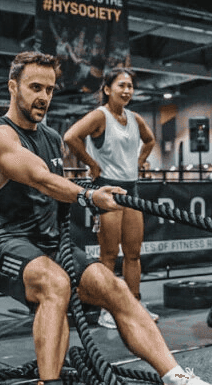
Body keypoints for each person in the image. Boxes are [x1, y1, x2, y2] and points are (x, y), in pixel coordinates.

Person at [0, 51, 212, 385]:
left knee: (112, 286)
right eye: (34, 88)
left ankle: (176, 383)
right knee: (55, 283)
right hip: (4, 245)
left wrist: (85, 203)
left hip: (47, 244)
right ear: (13, 87)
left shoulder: (49, 137)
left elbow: (53, 197)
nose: (43, 96)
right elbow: (40, 178)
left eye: (49, 89)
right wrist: (88, 195)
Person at [63, 67, 160, 329]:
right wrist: (92, 165)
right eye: (121, 86)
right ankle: (108, 310)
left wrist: (139, 161)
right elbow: (71, 137)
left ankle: (135, 304)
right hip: (107, 189)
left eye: (130, 86)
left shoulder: (135, 118)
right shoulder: (100, 116)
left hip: (132, 189)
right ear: (107, 89)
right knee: (108, 254)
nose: (127, 91)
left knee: (133, 254)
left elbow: (149, 140)